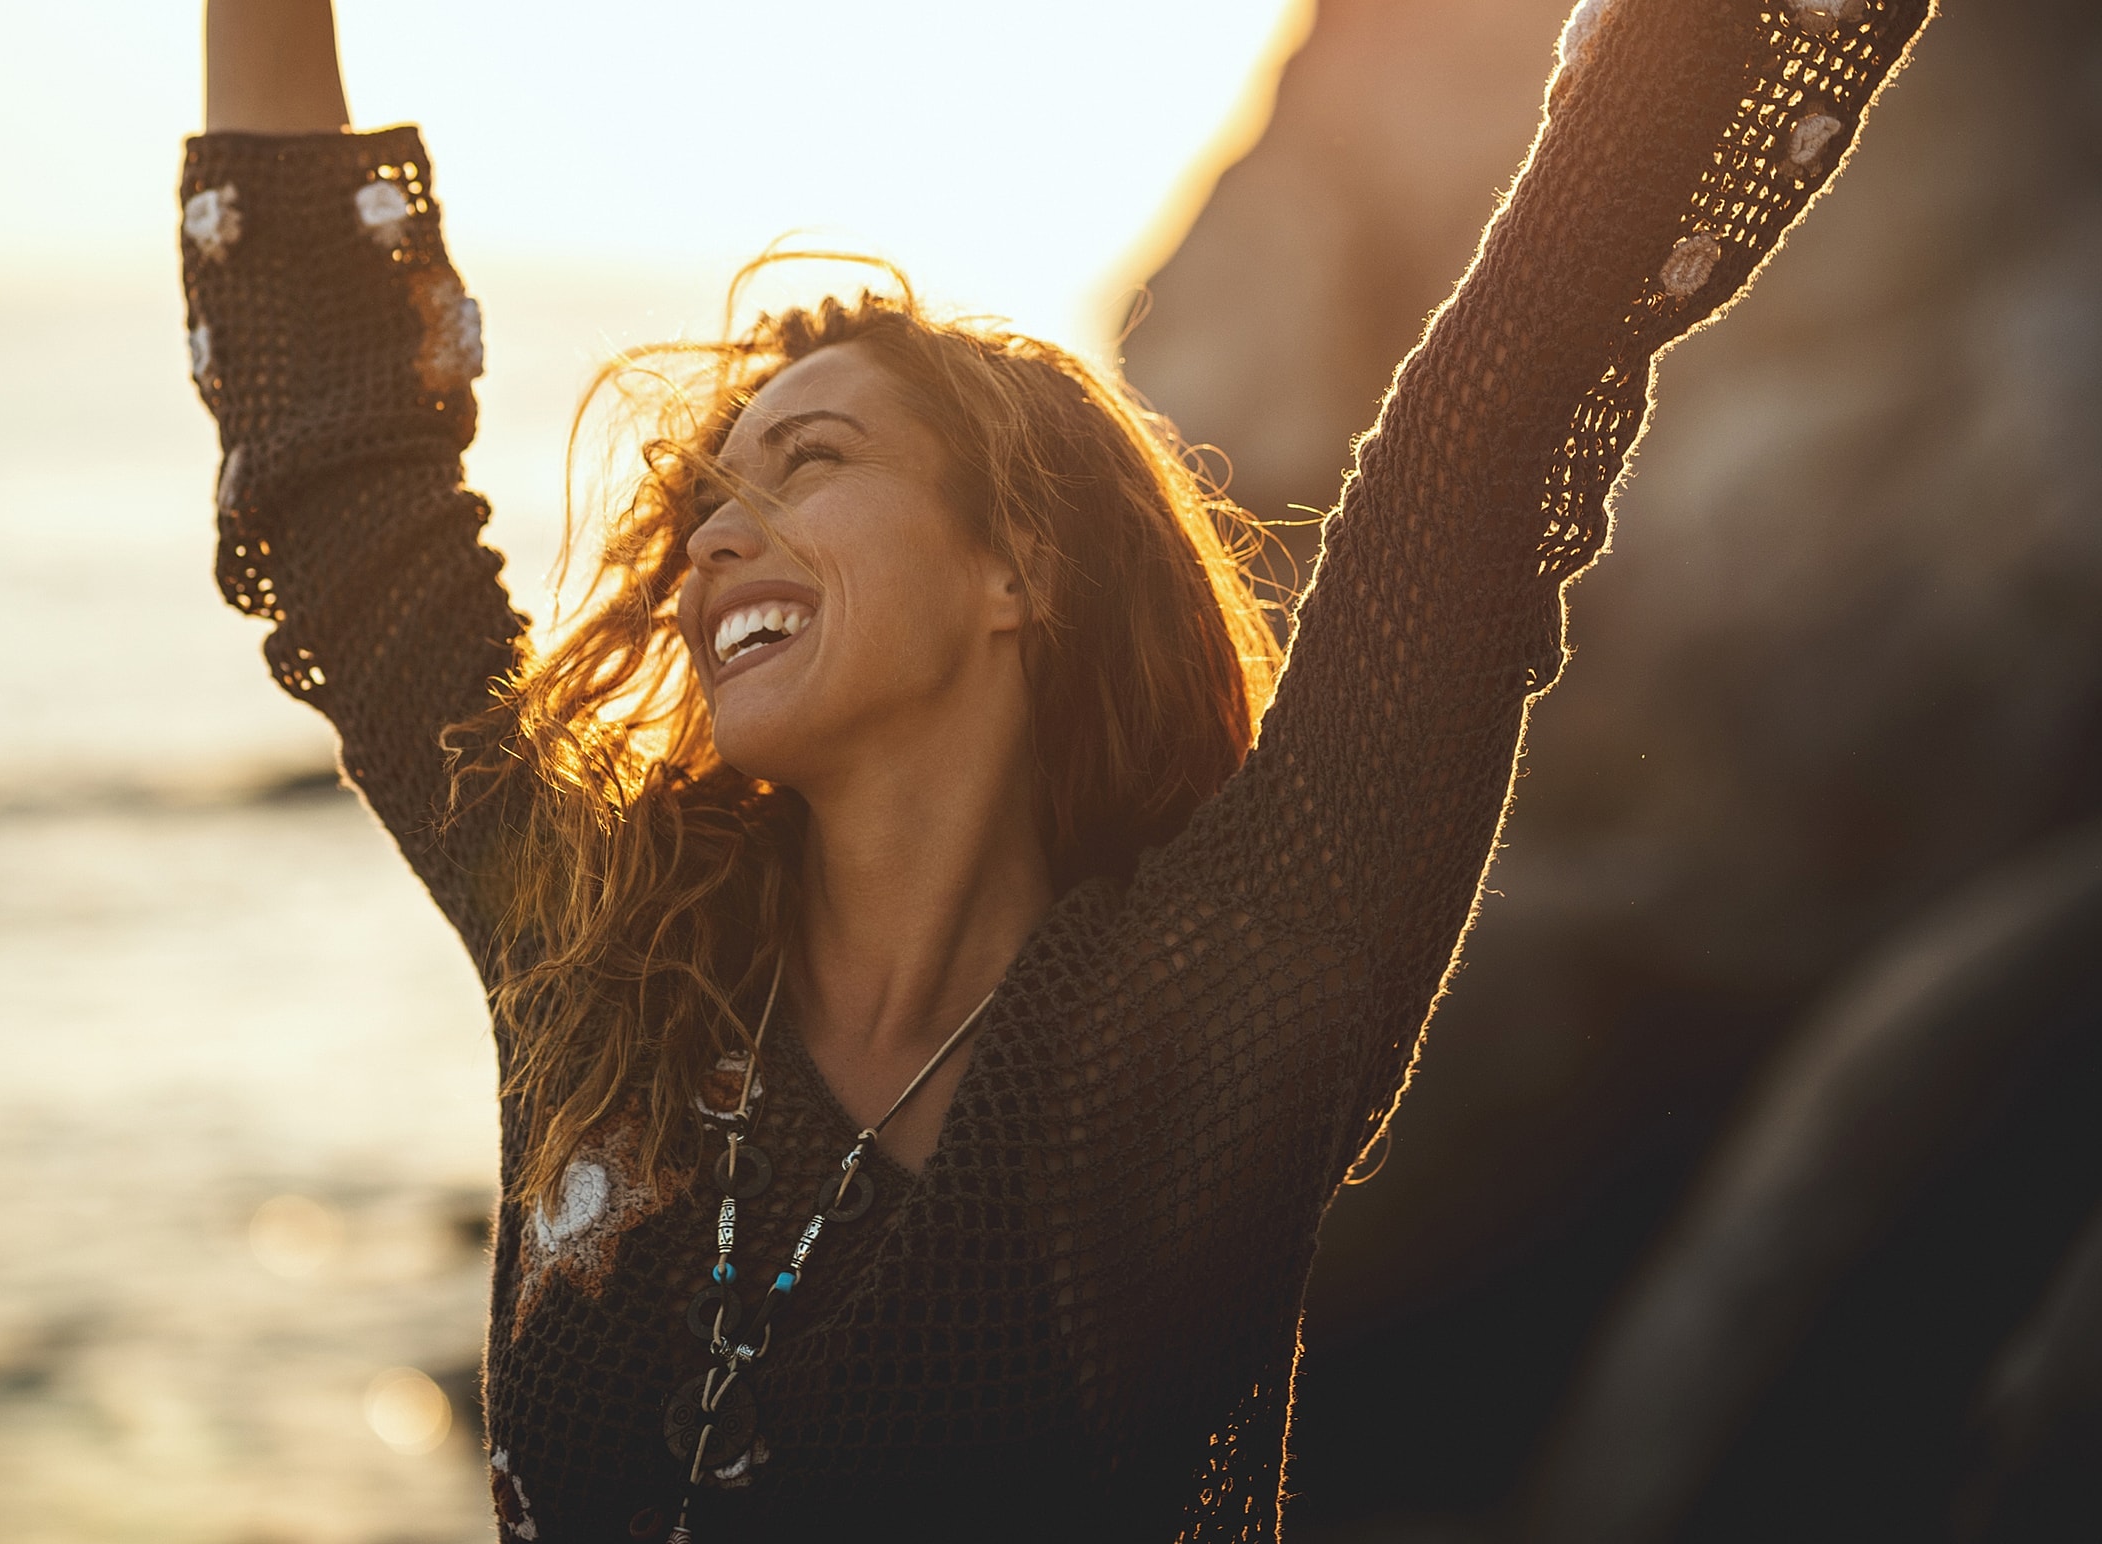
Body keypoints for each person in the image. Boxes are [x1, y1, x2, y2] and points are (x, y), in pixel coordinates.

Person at [180, 1, 1930, 1537]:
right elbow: (355, 497)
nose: (720, 532)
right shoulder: (602, 952)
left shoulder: (1228, 1004)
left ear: (1015, 570)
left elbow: (1503, 403)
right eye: (713, 494)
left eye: (809, 462)